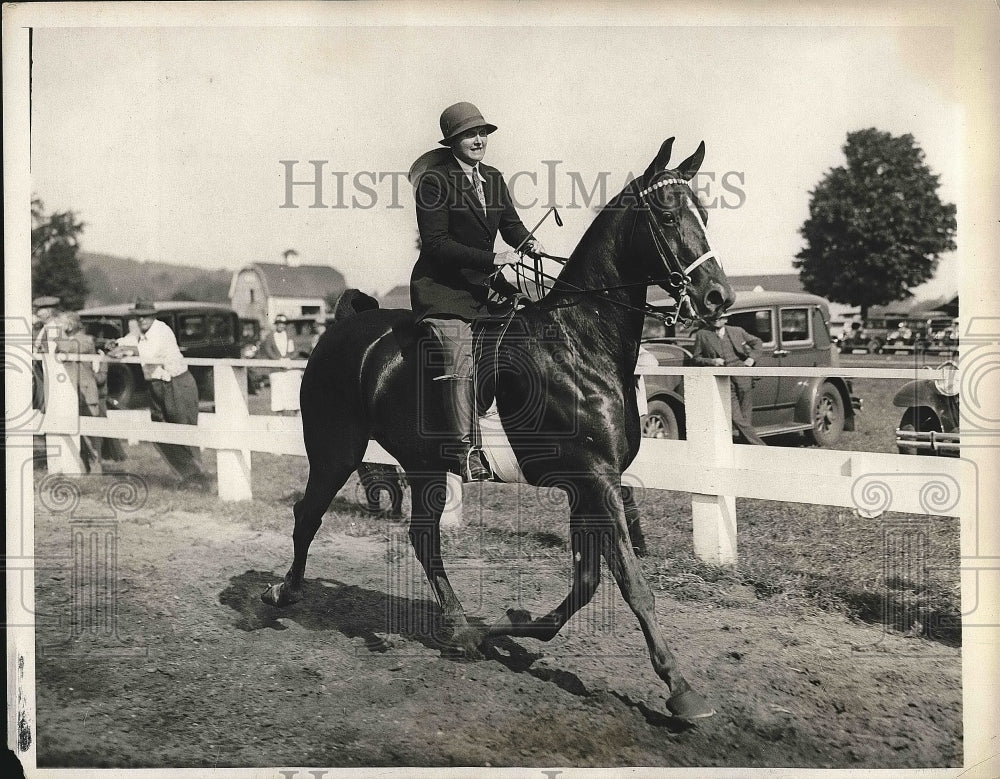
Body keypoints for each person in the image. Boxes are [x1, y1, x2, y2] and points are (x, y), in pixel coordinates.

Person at [409, 101, 543, 481]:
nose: (479, 139)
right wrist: (493, 258)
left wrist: (529, 243)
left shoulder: (495, 178)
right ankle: (467, 452)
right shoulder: (434, 183)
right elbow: (435, 245)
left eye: (482, 132)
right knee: (461, 358)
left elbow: (512, 227)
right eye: (470, 134)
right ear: (453, 141)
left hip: (484, 289)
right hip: (444, 293)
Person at [108, 299, 209, 490]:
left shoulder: (161, 330)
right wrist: (115, 344)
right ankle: (187, 475)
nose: (142, 320)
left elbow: (149, 353)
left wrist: (125, 349)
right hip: (156, 385)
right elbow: (128, 341)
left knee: (184, 431)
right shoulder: (140, 333)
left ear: (153, 316)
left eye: (145, 316)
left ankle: (200, 479)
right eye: (138, 317)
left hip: (177, 384)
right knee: (159, 433)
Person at [690, 312, 767, 446]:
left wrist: (751, 359)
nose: (715, 321)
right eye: (712, 318)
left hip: (743, 376)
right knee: (735, 416)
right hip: (723, 379)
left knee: (745, 417)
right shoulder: (702, 334)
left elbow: (757, 343)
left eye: (719, 318)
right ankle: (761, 447)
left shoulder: (737, 331)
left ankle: (749, 451)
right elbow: (696, 358)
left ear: (725, 319)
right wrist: (712, 361)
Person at [50, 311, 104, 473]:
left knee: (91, 436)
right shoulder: (68, 340)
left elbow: (67, 348)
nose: (58, 328)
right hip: (70, 394)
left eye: (61, 324)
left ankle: (96, 472)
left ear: (70, 325)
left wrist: (56, 332)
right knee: (76, 437)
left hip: (86, 394)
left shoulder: (85, 340)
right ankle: (82, 469)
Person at [257, 313, 302, 415]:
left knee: (293, 389)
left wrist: (288, 358)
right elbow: (268, 350)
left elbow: (296, 350)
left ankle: (296, 413)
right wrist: (278, 360)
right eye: (279, 323)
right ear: (275, 324)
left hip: (289, 368)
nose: (281, 325)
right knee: (278, 392)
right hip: (277, 369)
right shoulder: (270, 336)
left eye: (283, 323)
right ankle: (279, 415)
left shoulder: (290, 336)